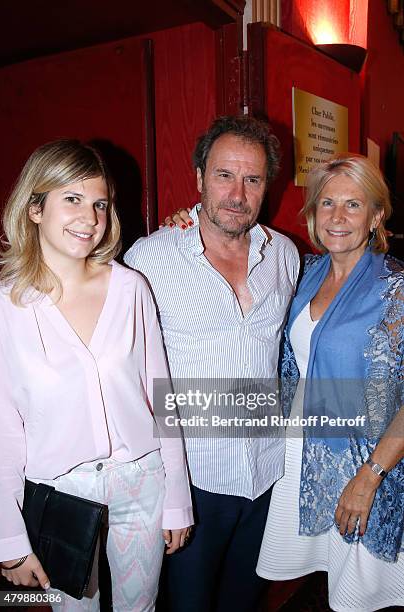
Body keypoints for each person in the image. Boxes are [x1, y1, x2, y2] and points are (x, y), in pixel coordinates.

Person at [0, 140, 193, 611]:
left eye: (99, 203)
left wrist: (176, 500)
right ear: (35, 208)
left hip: (140, 480)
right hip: (61, 492)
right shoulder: (6, 307)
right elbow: (2, 432)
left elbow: (162, 398)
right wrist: (9, 539)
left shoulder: (131, 288)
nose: (89, 216)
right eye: (72, 199)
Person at [124, 115, 300, 612]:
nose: (236, 193)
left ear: (268, 185)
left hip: (268, 475)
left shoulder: (284, 255)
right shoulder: (149, 260)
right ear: (199, 177)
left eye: (252, 179)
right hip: (192, 483)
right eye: (224, 175)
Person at [255, 154, 404, 611]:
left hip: (364, 465)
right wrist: (188, 219)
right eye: (327, 203)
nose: (337, 217)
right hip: (301, 459)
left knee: (358, 597)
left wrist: (370, 476)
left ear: (376, 215)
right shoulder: (302, 272)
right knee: (319, 588)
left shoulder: (396, 289)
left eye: (353, 205)